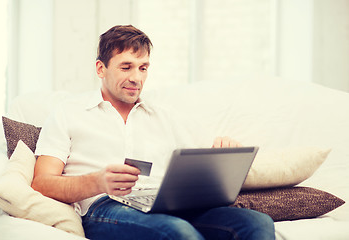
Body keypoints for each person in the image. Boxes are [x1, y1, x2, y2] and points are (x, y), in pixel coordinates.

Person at [32, 25, 275, 240]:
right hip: (105, 207)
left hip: (165, 204)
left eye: (143, 68)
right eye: (126, 67)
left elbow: (202, 160)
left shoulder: (165, 116)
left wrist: (224, 148)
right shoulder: (69, 113)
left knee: (256, 223)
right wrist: (97, 182)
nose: (136, 78)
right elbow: (42, 183)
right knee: (175, 231)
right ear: (100, 68)